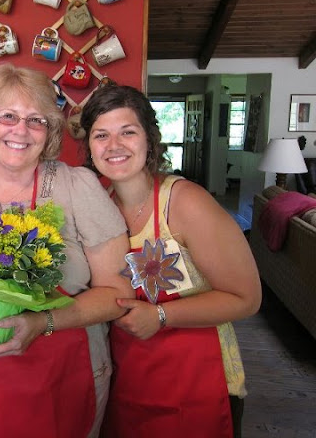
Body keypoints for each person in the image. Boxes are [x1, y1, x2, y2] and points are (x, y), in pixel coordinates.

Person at [0, 64, 133, 438]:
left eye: (36, 120)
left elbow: (119, 295)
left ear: (50, 131)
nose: (20, 130)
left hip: (62, 382)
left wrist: (42, 323)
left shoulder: (78, 187)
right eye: (7, 116)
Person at [79, 85, 261, 438]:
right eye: (101, 135)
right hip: (128, 383)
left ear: (150, 139)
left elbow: (247, 298)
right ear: (89, 146)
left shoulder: (186, 202)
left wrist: (161, 316)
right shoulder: (98, 205)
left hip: (198, 384)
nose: (114, 145)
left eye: (127, 132)